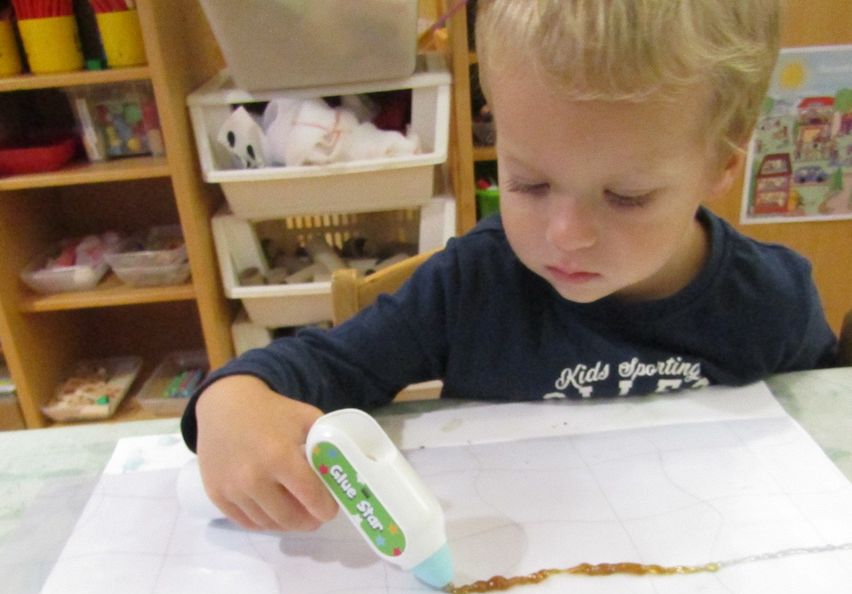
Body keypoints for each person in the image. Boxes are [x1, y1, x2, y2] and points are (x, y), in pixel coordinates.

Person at [182, 0, 837, 533]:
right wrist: (231, 402)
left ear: (723, 164)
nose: (566, 235)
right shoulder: (471, 286)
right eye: (528, 183)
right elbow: (321, 368)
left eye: (627, 197)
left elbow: (828, 433)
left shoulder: (773, 302)